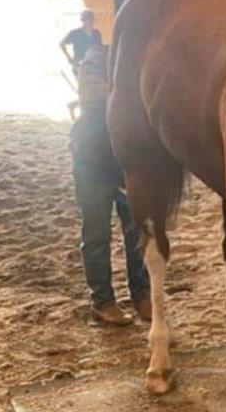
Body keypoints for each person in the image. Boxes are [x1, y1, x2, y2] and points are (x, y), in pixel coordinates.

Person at [70, 42, 150, 325]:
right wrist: (138, 96)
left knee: (136, 232)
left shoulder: (140, 58)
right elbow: (96, 97)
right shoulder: (95, 59)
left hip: (126, 161)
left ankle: (142, 295)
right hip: (92, 161)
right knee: (96, 234)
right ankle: (102, 302)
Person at [60, 10, 103, 76]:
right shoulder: (75, 33)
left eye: (91, 18)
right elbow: (62, 43)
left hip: (94, 65)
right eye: (87, 19)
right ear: (83, 20)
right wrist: (69, 57)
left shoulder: (96, 34)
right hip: (79, 64)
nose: (90, 21)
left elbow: (100, 48)